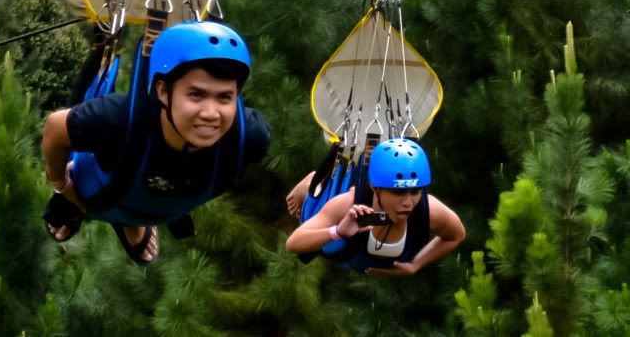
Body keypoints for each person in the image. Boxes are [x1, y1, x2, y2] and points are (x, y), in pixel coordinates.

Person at [42, 20, 271, 264]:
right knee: (125, 166)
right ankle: (100, 211)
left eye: (225, 97)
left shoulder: (250, 138)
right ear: (163, 91)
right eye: (196, 95)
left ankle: (131, 219)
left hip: (159, 200)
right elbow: (55, 127)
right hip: (100, 188)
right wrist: (62, 184)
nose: (211, 113)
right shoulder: (116, 122)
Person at [284, 137, 465, 275]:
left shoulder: (428, 210)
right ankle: (315, 184)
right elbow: (292, 244)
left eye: (415, 191)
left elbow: (456, 235)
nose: (408, 202)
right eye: (398, 192)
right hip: (341, 248)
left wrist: (416, 264)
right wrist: (337, 231)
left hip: (356, 259)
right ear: (375, 188)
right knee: (323, 235)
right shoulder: (348, 204)